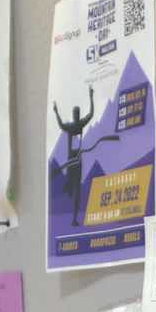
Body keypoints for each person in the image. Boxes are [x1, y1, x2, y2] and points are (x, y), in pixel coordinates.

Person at [53, 86, 96, 225]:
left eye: (77, 113)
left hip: (77, 161)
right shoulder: (74, 126)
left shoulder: (77, 125)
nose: (76, 115)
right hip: (73, 161)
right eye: (75, 113)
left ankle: (74, 217)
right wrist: (56, 112)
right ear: (74, 114)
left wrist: (91, 96)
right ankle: (68, 193)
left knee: (75, 188)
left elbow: (90, 114)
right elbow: (61, 124)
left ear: (76, 114)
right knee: (71, 187)